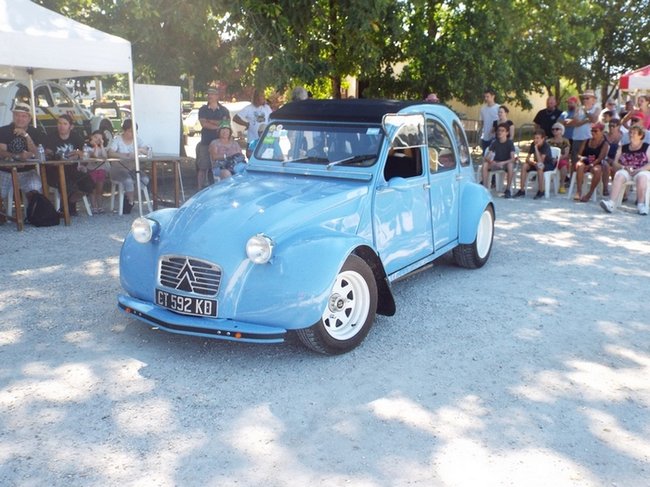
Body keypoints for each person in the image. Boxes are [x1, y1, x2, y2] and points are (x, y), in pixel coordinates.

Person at [44, 114, 95, 215]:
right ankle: (67, 209)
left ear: (71, 126)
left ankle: (69, 203)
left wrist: (79, 154)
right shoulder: (50, 137)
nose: (61, 126)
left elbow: (86, 152)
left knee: (89, 184)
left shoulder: (75, 136)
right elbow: (46, 153)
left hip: (72, 168)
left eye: (64, 124)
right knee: (69, 185)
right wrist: (51, 154)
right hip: (54, 170)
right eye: (59, 123)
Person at [599, 125, 650, 215]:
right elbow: (615, 162)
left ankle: (641, 205)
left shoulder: (647, 147)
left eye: (634, 133)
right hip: (627, 170)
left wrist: (639, 169)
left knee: (642, 177)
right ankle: (611, 203)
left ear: (640, 135)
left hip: (641, 170)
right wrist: (624, 167)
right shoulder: (623, 147)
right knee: (619, 175)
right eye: (630, 132)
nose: (631, 135)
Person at [0, 102, 43, 207]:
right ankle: (3, 215)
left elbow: (37, 154)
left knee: (35, 189)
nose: (20, 118)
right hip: (5, 171)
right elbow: (1, 152)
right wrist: (18, 157)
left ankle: (32, 215)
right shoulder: (4, 130)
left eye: (23, 116)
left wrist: (26, 135)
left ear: (29, 119)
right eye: (17, 115)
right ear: (13, 116)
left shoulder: (35, 132)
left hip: (27, 171)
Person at [108, 119, 149, 214]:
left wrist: (141, 150)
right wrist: (125, 155)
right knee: (128, 180)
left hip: (132, 168)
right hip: (118, 169)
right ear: (125, 130)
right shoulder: (117, 139)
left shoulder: (137, 140)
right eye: (131, 131)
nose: (133, 133)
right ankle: (131, 201)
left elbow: (147, 150)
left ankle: (131, 197)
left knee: (144, 179)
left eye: (135, 131)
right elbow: (110, 153)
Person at [196, 87, 230, 189]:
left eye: (212, 94)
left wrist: (210, 121)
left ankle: (216, 189)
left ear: (217, 96)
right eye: (208, 94)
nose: (209, 96)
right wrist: (218, 125)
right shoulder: (203, 109)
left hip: (220, 143)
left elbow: (226, 124)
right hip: (206, 142)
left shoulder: (224, 110)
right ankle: (198, 189)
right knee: (203, 167)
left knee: (219, 167)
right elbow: (204, 124)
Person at [514, 129, 553, 199]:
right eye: (534, 138)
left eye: (538, 138)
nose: (536, 140)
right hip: (537, 163)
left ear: (543, 139)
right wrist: (533, 163)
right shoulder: (533, 144)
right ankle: (521, 190)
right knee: (524, 166)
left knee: (540, 167)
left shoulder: (546, 146)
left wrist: (536, 149)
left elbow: (541, 161)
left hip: (547, 164)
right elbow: (527, 159)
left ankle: (541, 191)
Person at [574, 122, 608, 202]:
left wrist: (590, 165)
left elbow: (600, 158)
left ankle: (589, 193)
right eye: (592, 131)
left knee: (597, 170)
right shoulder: (586, 141)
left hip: (596, 163)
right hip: (585, 161)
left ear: (602, 132)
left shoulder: (605, 144)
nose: (593, 132)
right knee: (579, 165)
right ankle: (579, 191)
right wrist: (582, 158)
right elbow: (578, 154)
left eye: (595, 131)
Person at [481, 122, 516, 198]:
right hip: (496, 163)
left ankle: (508, 190)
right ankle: (485, 188)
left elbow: (512, 159)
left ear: (507, 133)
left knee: (510, 165)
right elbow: (487, 156)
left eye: (502, 130)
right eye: (499, 130)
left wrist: (503, 163)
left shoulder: (510, 143)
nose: (500, 132)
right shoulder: (495, 142)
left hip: (505, 164)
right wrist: (491, 161)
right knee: (485, 164)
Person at [567, 90, 599, 169]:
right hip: (577, 138)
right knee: (574, 160)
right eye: (583, 98)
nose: (585, 100)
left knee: (588, 160)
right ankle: (572, 180)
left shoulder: (596, 108)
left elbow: (594, 119)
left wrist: (586, 112)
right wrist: (586, 120)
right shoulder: (578, 109)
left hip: (589, 138)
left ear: (593, 100)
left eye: (587, 98)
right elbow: (575, 123)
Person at [83, 130, 109, 213]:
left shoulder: (103, 148)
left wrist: (101, 145)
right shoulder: (88, 149)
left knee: (99, 190)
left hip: (101, 170)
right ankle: (94, 206)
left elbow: (105, 156)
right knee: (93, 190)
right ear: (91, 138)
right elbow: (95, 155)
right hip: (92, 170)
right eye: (95, 137)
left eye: (100, 138)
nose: (97, 139)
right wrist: (95, 146)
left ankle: (100, 206)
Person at [548, 122, 570, 193]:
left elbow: (566, 154)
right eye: (553, 129)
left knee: (564, 165)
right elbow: (545, 152)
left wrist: (557, 159)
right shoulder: (548, 141)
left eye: (557, 129)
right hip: (549, 159)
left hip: (561, 159)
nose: (554, 131)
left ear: (562, 130)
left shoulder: (565, 141)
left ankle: (562, 185)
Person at [603, 119, 623, 196]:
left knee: (615, 166)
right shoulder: (604, 136)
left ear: (619, 126)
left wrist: (615, 160)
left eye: (613, 126)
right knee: (606, 166)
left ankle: (616, 190)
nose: (611, 128)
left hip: (618, 159)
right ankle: (605, 188)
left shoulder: (623, 136)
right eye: (610, 126)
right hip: (605, 157)